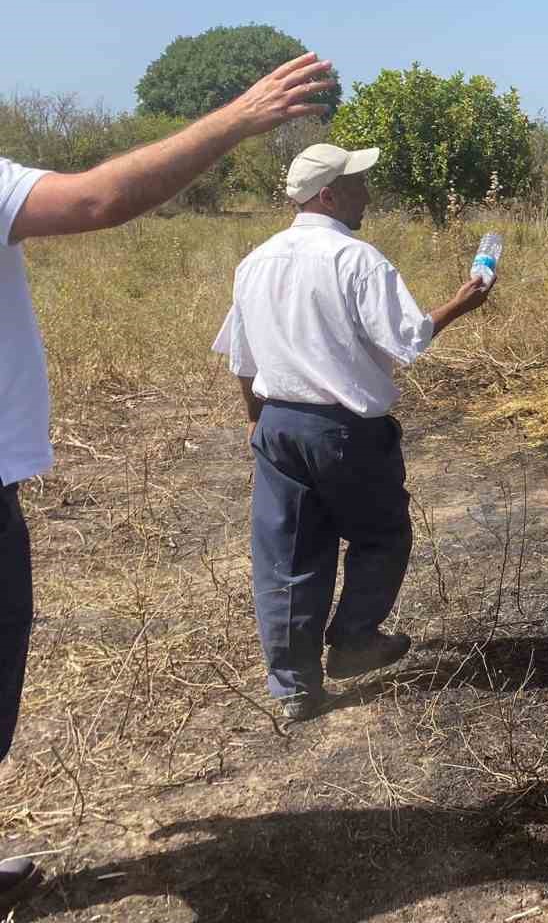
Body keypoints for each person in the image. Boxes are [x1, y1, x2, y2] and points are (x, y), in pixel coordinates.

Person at [0, 52, 337, 912]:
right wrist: (239, 115)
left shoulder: (261, 263)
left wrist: (253, 410)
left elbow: (240, 354)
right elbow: (97, 199)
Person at [212, 143, 492, 723]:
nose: (368, 194)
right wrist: (463, 303)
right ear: (329, 195)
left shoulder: (254, 262)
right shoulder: (357, 260)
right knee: (380, 536)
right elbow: (407, 339)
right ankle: (355, 640)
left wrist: (256, 425)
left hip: (278, 425)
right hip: (345, 431)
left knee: (288, 555)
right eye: (359, 184)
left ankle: (294, 687)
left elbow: (242, 359)